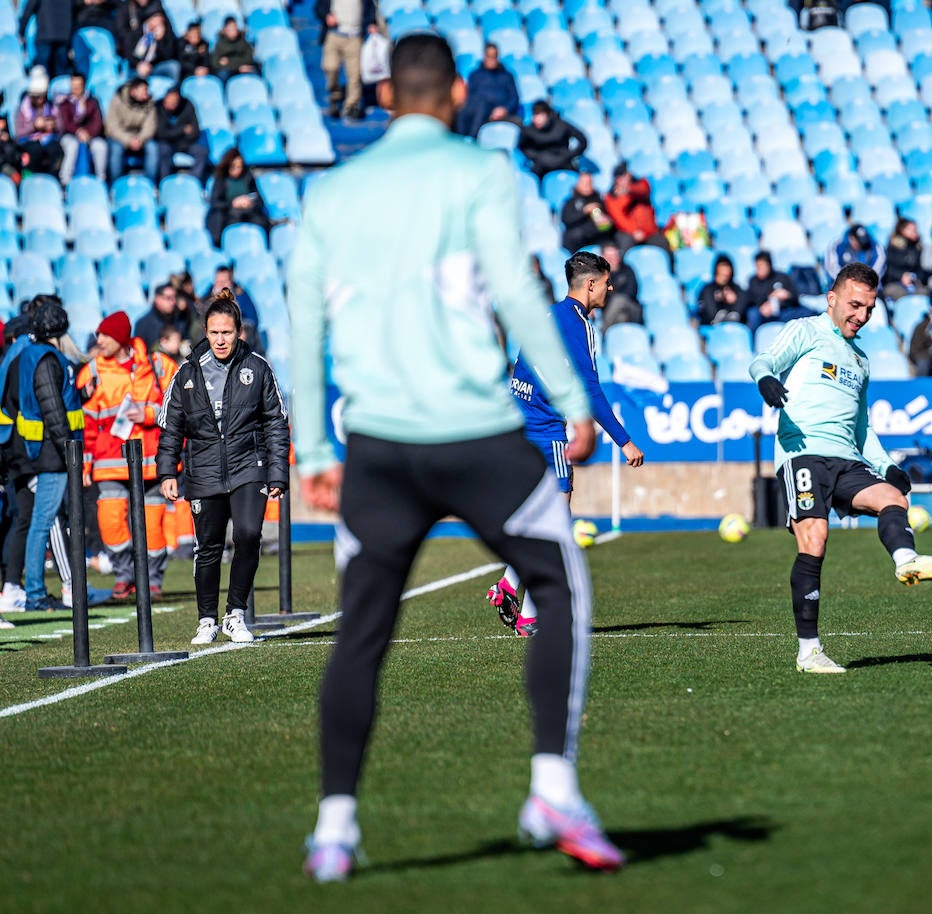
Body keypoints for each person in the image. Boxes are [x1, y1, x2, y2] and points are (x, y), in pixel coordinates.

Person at [288, 33, 623, 879]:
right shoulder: (481, 174)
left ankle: (334, 827)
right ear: (454, 97)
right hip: (476, 436)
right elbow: (518, 295)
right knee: (559, 582)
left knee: (361, 632)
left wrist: (317, 448)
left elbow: (304, 321)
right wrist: (578, 406)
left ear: (388, 95)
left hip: (379, 446)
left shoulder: (331, 190)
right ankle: (551, 784)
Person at [748, 262, 932, 673]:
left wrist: (888, 466)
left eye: (869, 308)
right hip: (803, 452)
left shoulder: (861, 359)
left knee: (892, 497)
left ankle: (906, 562)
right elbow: (764, 360)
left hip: (847, 456)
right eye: (854, 305)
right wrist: (765, 380)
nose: (861, 316)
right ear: (832, 299)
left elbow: (862, 425)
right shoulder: (807, 330)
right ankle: (809, 652)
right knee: (815, 536)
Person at [487, 250, 646, 635]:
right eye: (606, 281)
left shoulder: (548, 315)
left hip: (518, 424)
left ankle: (520, 602)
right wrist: (623, 441)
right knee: (556, 522)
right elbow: (589, 389)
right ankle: (519, 600)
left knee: (541, 519)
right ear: (590, 284)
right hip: (544, 431)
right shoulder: (577, 323)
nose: (610, 287)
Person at [156, 289, 289, 642]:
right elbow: (172, 426)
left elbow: (276, 422)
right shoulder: (187, 373)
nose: (220, 339)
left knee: (248, 535)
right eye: (214, 332)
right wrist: (167, 471)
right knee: (209, 546)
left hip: (249, 466)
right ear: (205, 331)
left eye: (226, 332)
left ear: (238, 331)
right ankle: (206, 620)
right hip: (203, 470)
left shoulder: (258, 368)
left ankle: (235, 613)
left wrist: (278, 472)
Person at [77, 310, 176, 603]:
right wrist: (85, 462)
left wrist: (147, 414)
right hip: (110, 461)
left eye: (106, 335)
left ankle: (153, 581)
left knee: (153, 523)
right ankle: (125, 576)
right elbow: (85, 423)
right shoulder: (92, 372)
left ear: (120, 338)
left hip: (151, 460)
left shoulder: (159, 366)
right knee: (110, 520)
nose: (100, 340)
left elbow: (181, 407)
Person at [0, 298, 84, 615]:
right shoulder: (48, 359)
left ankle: (29, 589)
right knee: (43, 521)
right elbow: (53, 408)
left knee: (31, 520)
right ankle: (35, 591)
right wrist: (69, 449)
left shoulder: (21, 355)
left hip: (24, 452)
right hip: (47, 454)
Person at [316, 0, 375, 118]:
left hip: (354, 37)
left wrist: (371, 23)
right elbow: (319, 7)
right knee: (330, 67)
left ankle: (352, 105)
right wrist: (326, 16)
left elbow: (370, 8)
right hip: (334, 34)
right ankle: (335, 95)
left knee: (355, 74)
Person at [206, 146, 271, 246]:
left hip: (248, 212)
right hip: (228, 214)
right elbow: (215, 202)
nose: (237, 170)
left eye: (239, 167)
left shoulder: (248, 177)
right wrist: (233, 203)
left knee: (260, 221)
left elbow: (259, 199)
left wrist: (249, 201)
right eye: (233, 167)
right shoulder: (221, 180)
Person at [56, 72, 109, 184]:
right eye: (73, 86)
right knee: (72, 146)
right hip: (70, 135)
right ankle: (65, 181)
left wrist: (88, 133)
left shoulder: (92, 102)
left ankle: (101, 180)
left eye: (78, 86)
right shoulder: (65, 102)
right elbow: (66, 123)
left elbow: (97, 121)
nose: (75, 89)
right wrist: (78, 131)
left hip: (91, 135)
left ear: (83, 85)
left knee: (100, 146)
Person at [457, 42, 519, 137]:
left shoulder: (507, 76)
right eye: (488, 56)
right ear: (484, 56)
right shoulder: (475, 75)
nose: (491, 59)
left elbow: (514, 98)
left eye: (493, 56)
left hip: (500, 114)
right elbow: (469, 96)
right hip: (478, 112)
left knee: (517, 122)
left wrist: (504, 110)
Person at [14, 67, 64, 179]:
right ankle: (34, 179)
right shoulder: (23, 108)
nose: (40, 100)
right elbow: (18, 132)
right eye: (37, 97)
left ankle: (52, 179)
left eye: (42, 96)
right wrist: (34, 126)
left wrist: (53, 125)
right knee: (35, 149)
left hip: (49, 139)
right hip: (29, 140)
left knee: (56, 149)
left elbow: (61, 127)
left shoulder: (52, 107)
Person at [105, 76, 159, 181]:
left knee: (153, 147)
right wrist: (128, 140)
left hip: (140, 138)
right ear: (134, 91)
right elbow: (112, 126)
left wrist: (140, 139)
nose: (146, 93)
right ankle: (116, 184)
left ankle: (150, 184)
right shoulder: (117, 100)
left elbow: (150, 127)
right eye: (144, 90)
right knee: (116, 149)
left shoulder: (150, 103)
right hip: (120, 137)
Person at [604, 163, 667, 251]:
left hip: (649, 232)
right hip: (629, 233)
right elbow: (619, 218)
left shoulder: (640, 184)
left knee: (661, 243)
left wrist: (629, 190)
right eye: (621, 177)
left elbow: (644, 190)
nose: (624, 179)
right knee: (625, 243)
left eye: (626, 176)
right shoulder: (611, 197)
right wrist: (634, 231)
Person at [153, 83, 209, 182]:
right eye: (168, 102)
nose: (170, 105)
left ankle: (193, 182)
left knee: (202, 151)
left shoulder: (187, 105)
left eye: (174, 102)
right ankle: (164, 182)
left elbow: (195, 131)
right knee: (163, 150)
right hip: (167, 143)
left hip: (186, 143)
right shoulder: (158, 106)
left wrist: (173, 134)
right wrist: (182, 129)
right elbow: (160, 133)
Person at [517, 100, 586, 178]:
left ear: (547, 115)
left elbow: (583, 141)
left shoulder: (561, 125)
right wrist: (537, 157)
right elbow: (522, 147)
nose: (535, 118)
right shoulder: (529, 130)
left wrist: (568, 155)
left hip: (563, 163)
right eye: (534, 115)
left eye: (539, 115)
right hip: (541, 166)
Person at [743, 251, 805, 333]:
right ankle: (754, 340)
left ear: (769, 265)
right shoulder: (753, 280)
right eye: (757, 266)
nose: (759, 269)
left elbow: (795, 298)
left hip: (782, 311)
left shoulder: (782, 277)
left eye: (762, 266)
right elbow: (750, 299)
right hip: (762, 312)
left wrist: (787, 296)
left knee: (804, 312)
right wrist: (766, 302)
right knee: (753, 314)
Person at [559, 170, 616, 252]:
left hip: (598, 237)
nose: (587, 185)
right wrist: (584, 211)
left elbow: (609, 220)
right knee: (574, 235)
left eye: (589, 182)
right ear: (577, 184)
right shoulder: (571, 202)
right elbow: (566, 220)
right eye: (584, 183)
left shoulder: (599, 200)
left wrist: (607, 222)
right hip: (579, 240)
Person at [20, 0, 74, 76]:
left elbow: (29, 9)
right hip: (64, 36)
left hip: (45, 35)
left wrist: (21, 31)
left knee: (42, 72)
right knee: (61, 72)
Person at [133, 283, 191, 351]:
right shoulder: (143, 324)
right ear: (157, 299)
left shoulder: (181, 317)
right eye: (168, 298)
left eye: (174, 297)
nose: (172, 302)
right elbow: (140, 353)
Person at [599, 242, 641, 328]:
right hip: (611, 313)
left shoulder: (627, 270)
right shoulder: (598, 274)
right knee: (621, 318)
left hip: (631, 308)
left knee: (619, 300)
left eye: (615, 256)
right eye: (609, 257)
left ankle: (603, 332)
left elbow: (631, 292)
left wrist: (611, 293)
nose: (613, 259)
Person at [126, 12, 179, 81]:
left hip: (153, 67)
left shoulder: (165, 34)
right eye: (156, 19)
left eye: (161, 21)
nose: (158, 23)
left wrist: (160, 40)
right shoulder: (136, 33)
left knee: (173, 66)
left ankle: (173, 90)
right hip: (136, 68)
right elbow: (128, 53)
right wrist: (139, 65)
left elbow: (167, 56)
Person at [882, 218, 924, 300]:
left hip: (913, 283)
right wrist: (901, 276)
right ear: (902, 230)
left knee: (924, 293)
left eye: (915, 230)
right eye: (911, 230)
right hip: (895, 283)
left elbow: (921, 269)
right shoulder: (893, 247)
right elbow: (888, 269)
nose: (915, 232)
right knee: (901, 295)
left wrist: (913, 277)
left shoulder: (917, 248)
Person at [696, 254, 745, 325]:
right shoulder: (707, 289)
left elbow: (740, 311)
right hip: (711, 325)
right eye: (721, 272)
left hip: (733, 325)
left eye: (727, 270)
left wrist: (733, 300)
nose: (724, 274)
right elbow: (703, 310)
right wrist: (720, 297)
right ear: (716, 271)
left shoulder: (737, 289)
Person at [211, 16, 257, 80]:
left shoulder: (243, 40)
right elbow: (215, 63)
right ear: (225, 30)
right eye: (230, 29)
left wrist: (229, 61)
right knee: (223, 74)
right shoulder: (220, 43)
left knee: (254, 72)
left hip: (242, 68)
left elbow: (249, 59)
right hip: (229, 70)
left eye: (235, 27)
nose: (234, 30)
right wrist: (238, 65)